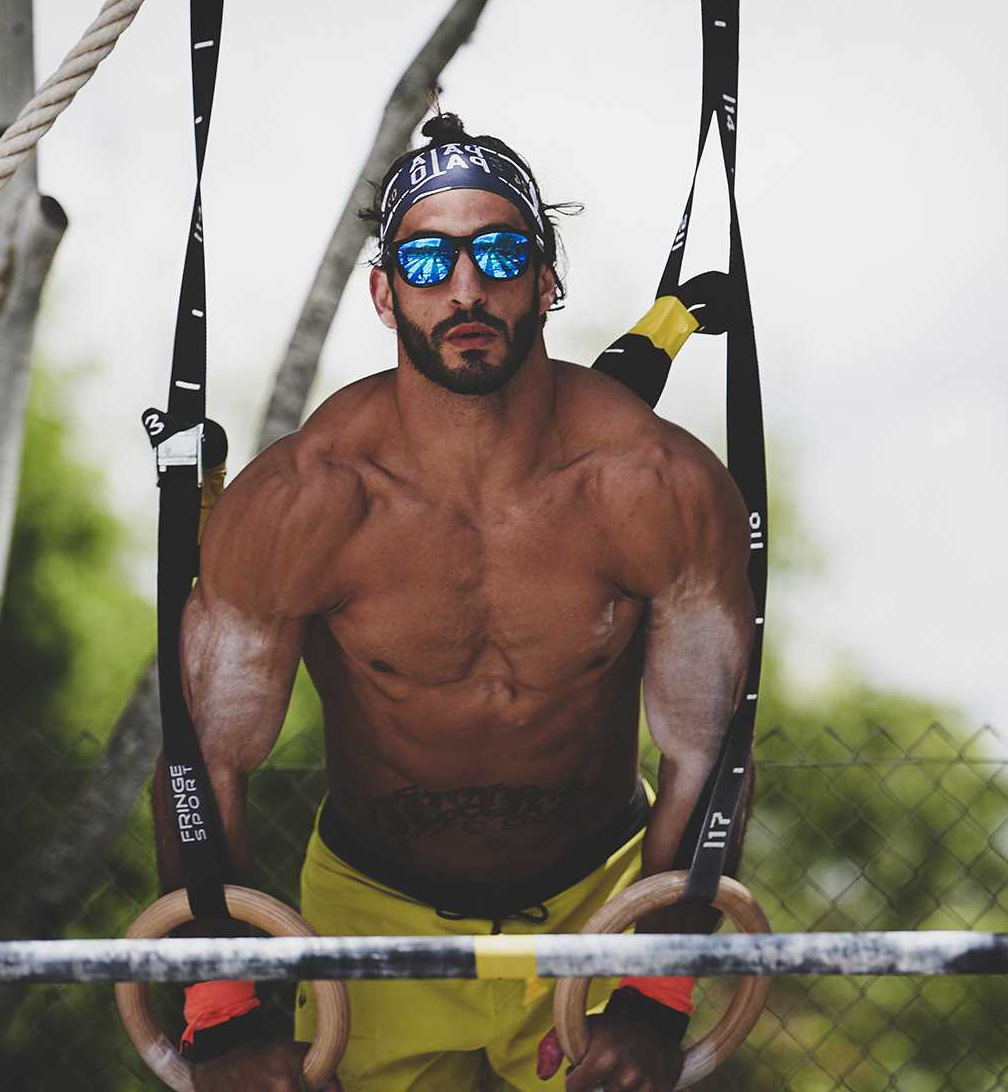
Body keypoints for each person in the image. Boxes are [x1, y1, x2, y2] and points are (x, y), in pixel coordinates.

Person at [153, 114, 756, 1092]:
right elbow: (201, 762)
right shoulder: (306, 500)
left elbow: (712, 754)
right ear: (384, 293)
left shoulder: (656, 485)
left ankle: (670, 319)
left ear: (546, 280)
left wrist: (658, 986)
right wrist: (221, 1000)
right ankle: (668, 321)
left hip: (597, 901)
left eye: (502, 253)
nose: (467, 287)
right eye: (429, 261)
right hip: (370, 912)